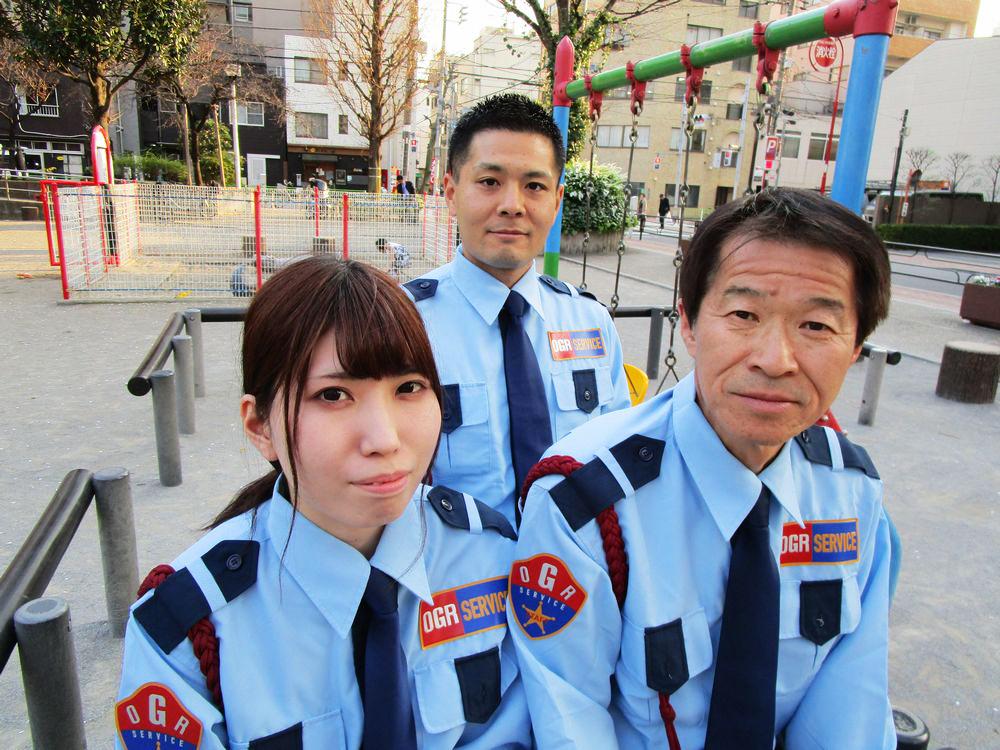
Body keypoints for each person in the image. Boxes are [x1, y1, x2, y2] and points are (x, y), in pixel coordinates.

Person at [509, 188, 896, 749]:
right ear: (688, 325)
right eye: (744, 315)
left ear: (855, 346)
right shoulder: (587, 501)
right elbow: (569, 715)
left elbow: (850, 704)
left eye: (815, 326)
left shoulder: (850, 493)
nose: (775, 359)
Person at [117, 257, 531, 749]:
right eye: (333, 395)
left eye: (409, 388)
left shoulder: (491, 557)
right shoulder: (189, 627)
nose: (384, 439)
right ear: (260, 425)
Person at [402, 93, 631, 524]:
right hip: (451, 579)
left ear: (558, 200)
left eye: (535, 186)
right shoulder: (401, 324)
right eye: (490, 182)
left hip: (575, 574)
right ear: (451, 191)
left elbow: (615, 457)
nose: (512, 204)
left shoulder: (590, 323)